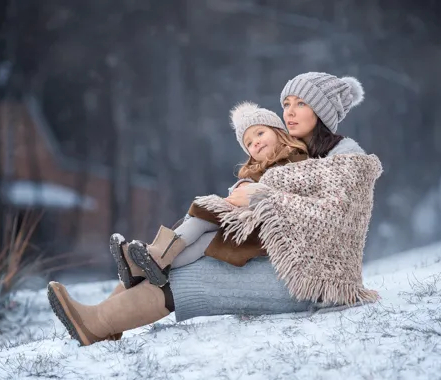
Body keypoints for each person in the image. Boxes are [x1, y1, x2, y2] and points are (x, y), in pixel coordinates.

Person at [47, 72, 383, 347]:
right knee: (180, 252)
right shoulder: (290, 153)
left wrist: (261, 198)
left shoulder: (347, 159)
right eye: (286, 103)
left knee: (186, 276)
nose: (290, 111)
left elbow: (334, 219)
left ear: (322, 111)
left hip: (311, 282)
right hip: (276, 262)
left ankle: (98, 323)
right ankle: (102, 316)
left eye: (301, 103)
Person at [109, 102, 308, 289]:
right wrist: (243, 186)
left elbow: (295, 193)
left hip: (268, 231)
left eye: (260, 133)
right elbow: (239, 194)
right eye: (249, 143)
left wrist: (254, 193)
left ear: (279, 131)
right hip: (245, 224)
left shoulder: (297, 159)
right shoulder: (253, 171)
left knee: (205, 221)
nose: (255, 142)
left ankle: (152, 261)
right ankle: (153, 263)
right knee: (204, 231)